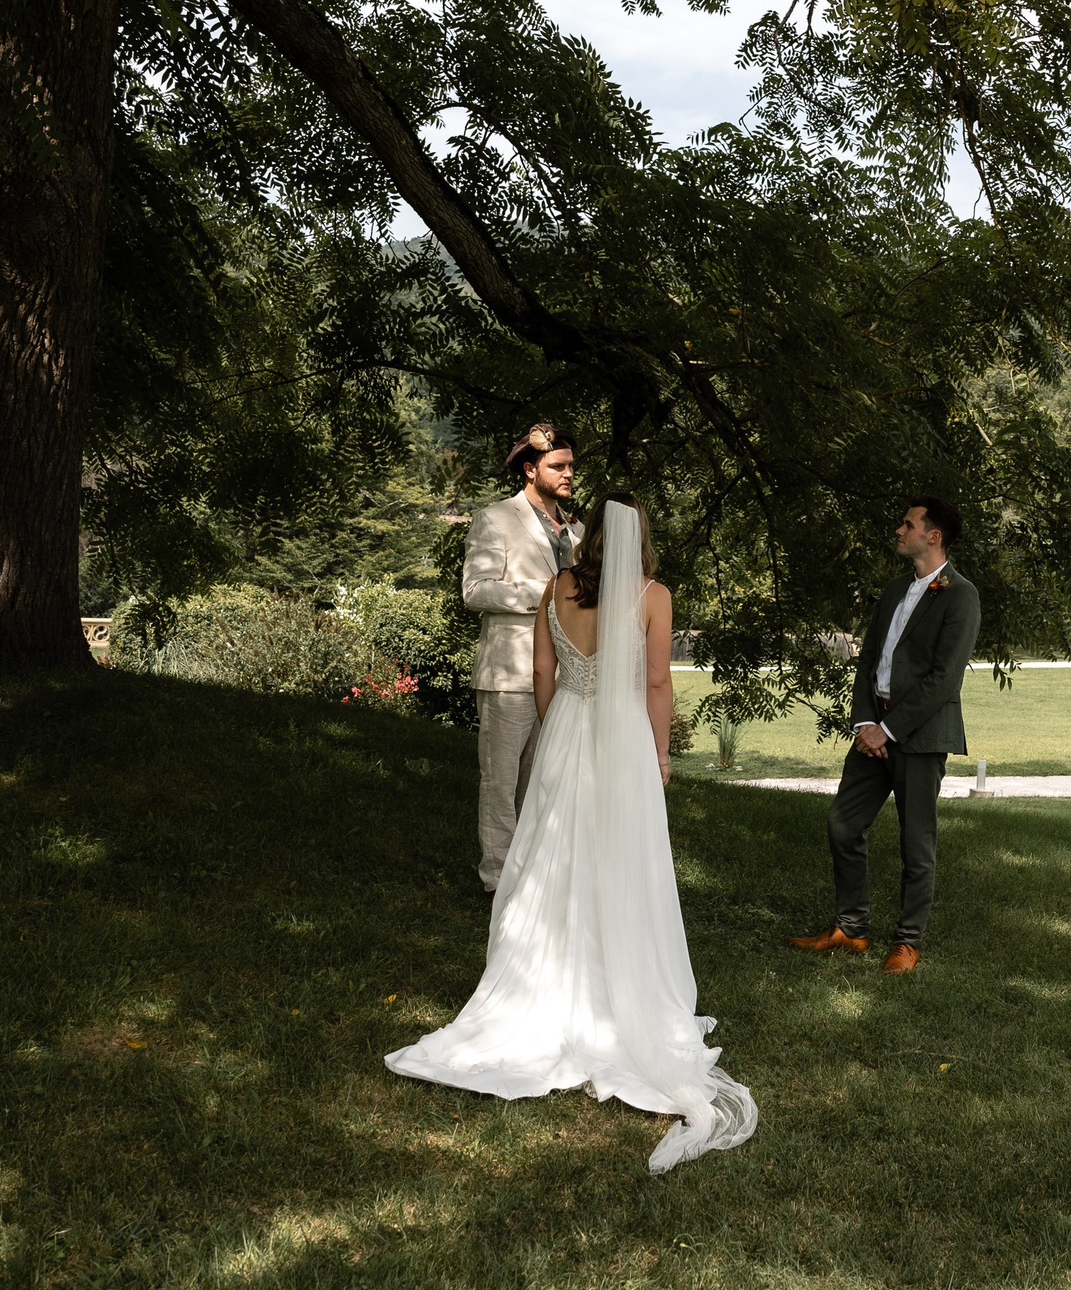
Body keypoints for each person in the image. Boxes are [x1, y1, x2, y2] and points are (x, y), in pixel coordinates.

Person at [388, 493, 756, 1173]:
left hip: (567, 732)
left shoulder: (556, 588)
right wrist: (661, 752)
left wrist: (560, 729)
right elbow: (654, 684)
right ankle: (619, 986)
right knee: (619, 861)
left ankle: (548, 980)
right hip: (620, 740)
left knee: (553, 860)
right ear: (638, 538)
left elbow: (541, 674)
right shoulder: (652, 594)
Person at [790, 496, 982, 975]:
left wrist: (889, 730)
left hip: (918, 736)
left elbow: (943, 679)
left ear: (932, 535)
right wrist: (864, 724)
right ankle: (852, 928)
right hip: (871, 731)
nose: (899, 530)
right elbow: (870, 657)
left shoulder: (960, 594)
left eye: (908, 524)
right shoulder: (896, 587)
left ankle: (907, 942)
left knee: (917, 841)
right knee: (843, 823)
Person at [459, 424, 583, 893]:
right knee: (500, 782)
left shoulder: (578, 530)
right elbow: (475, 590)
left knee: (543, 781)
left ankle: (532, 876)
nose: (569, 473)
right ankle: (497, 879)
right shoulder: (495, 518)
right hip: (508, 674)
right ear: (531, 470)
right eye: (559, 466)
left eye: (570, 465)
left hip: (562, 678)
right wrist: (546, 594)